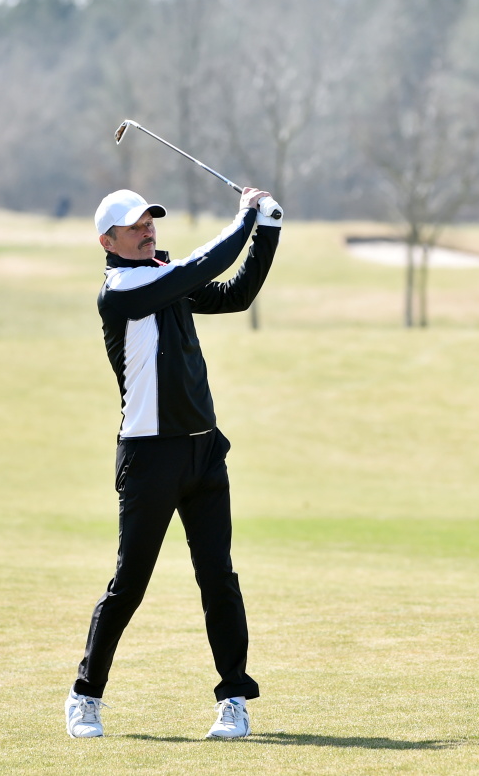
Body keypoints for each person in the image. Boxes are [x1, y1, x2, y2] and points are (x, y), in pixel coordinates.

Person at [65, 185, 282, 740]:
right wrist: (245, 218)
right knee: (130, 583)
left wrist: (268, 231)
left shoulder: (165, 278)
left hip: (203, 450)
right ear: (107, 241)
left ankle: (234, 698)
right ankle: (85, 695)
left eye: (150, 222)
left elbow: (235, 294)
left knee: (219, 578)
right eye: (134, 226)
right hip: (150, 456)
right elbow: (202, 266)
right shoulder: (121, 291)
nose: (148, 230)